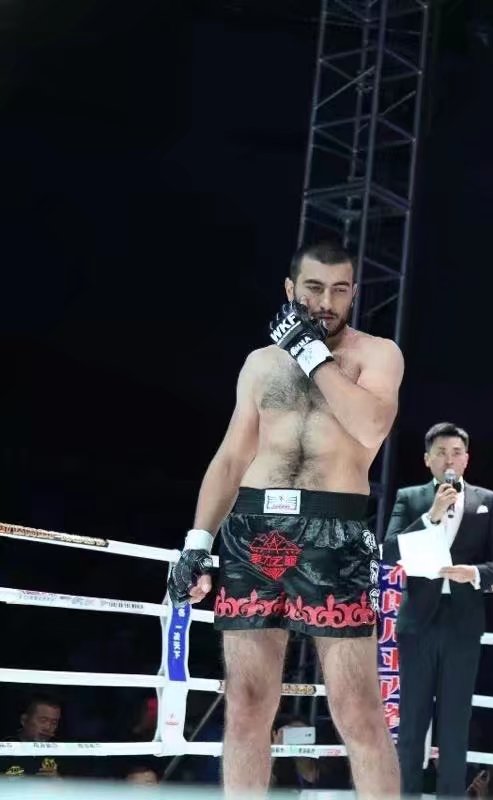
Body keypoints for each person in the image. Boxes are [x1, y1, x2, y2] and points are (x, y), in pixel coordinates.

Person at [166, 242, 404, 799]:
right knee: (247, 701)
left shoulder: (377, 354)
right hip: (253, 529)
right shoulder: (261, 363)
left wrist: (312, 355)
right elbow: (232, 456)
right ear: (290, 289)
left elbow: (372, 426)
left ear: (354, 293)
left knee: (357, 707)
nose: (326, 302)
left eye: (340, 290)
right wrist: (198, 542)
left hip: (333, 532)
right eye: (314, 288)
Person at [381, 422, 493, 799]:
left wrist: (475, 573)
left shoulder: (488, 500)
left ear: (466, 459)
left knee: (455, 724)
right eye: (440, 452)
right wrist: (432, 516)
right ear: (427, 459)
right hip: (418, 622)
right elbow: (389, 551)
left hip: (463, 622)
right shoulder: (411, 497)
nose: (448, 459)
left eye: (456, 452)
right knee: (412, 723)